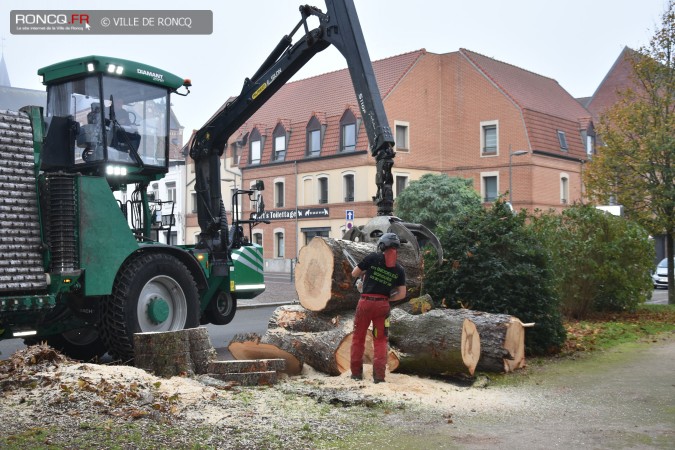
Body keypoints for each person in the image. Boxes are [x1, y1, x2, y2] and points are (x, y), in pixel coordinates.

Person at [349, 232, 406, 383]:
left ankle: (355, 374)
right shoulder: (399, 269)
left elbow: (354, 272)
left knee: (358, 338)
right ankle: (379, 377)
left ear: (381, 245)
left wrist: (365, 275)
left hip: (365, 303)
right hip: (383, 306)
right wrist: (387, 297)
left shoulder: (372, 258)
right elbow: (401, 294)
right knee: (380, 340)